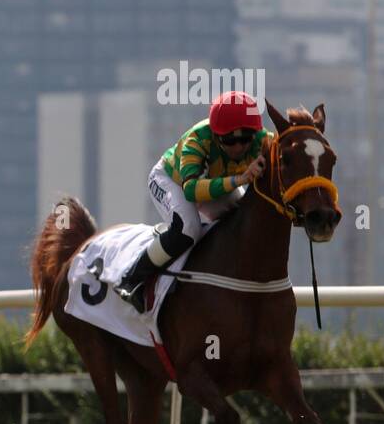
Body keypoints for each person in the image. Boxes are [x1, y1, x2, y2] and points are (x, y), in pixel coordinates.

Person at [114, 89, 272, 313]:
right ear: (216, 135)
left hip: (215, 181)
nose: (238, 147)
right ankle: (131, 279)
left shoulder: (263, 139)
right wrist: (240, 179)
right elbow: (191, 191)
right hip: (173, 181)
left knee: (243, 218)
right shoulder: (197, 139)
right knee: (188, 229)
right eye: (229, 140)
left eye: (245, 138)